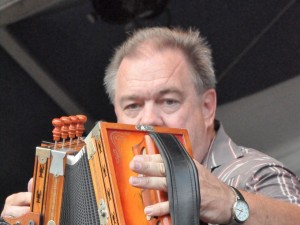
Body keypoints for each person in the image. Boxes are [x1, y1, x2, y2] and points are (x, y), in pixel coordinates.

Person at [2, 27, 300, 224]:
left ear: (207, 107)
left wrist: (230, 202)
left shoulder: (256, 173)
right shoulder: (107, 190)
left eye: (168, 101)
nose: (148, 120)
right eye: (132, 106)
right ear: (116, 113)